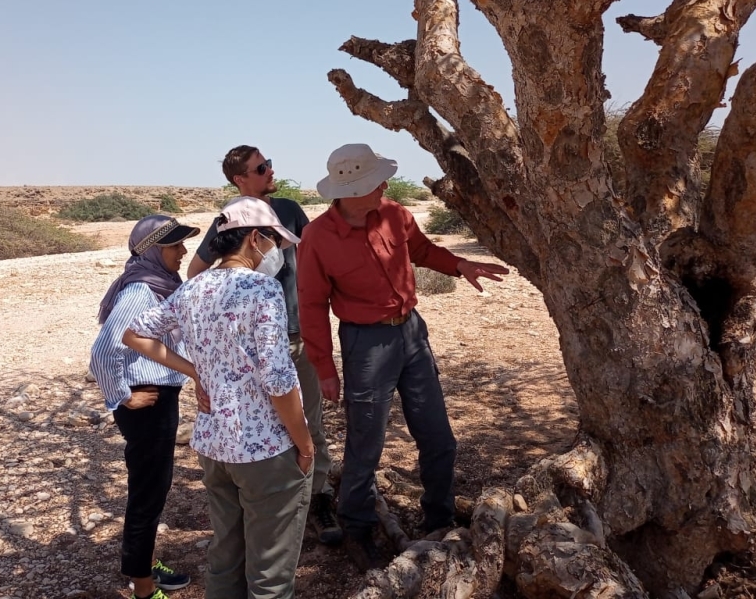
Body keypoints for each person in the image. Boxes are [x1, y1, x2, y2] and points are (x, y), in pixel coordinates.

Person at [296, 143, 510, 572]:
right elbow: (312, 306)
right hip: (365, 346)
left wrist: (460, 265)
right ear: (351, 189)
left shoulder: (395, 214)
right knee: (366, 443)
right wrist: (325, 368)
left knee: (438, 437)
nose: (385, 186)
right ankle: (357, 527)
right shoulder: (317, 239)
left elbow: (424, 251)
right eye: (376, 181)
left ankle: (441, 520)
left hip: (412, 333)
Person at [124, 197, 314, 599]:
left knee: (225, 559)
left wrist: (195, 370)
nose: (275, 252)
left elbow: (135, 334)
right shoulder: (262, 289)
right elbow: (278, 380)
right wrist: (305, 443)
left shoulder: (194, 287)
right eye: (273, 243)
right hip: (266, 450)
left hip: (214, 445)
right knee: (271, 575)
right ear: (255, 239)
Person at [186, 145, 342, 545]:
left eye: (269, 163)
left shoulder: (288, 209)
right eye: (261, 168)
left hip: (296, 335)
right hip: (249, 349)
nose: (271, 170)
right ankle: (271, 505)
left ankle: (317, 498)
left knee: (309, 421)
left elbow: (316, 255)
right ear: (240, 179)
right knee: (260, 423)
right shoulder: (230, 221)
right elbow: (197, 270)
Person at [89, 214, 200, 599]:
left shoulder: (158, 285)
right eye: (175, 245)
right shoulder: (140, 290)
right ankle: (143, 587)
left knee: (154, 487)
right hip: (146, 401)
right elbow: (104, 349)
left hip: (157, 397)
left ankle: (143, 564)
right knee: (148, 492)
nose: (183, 251)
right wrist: (122, 395)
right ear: (153, 250)